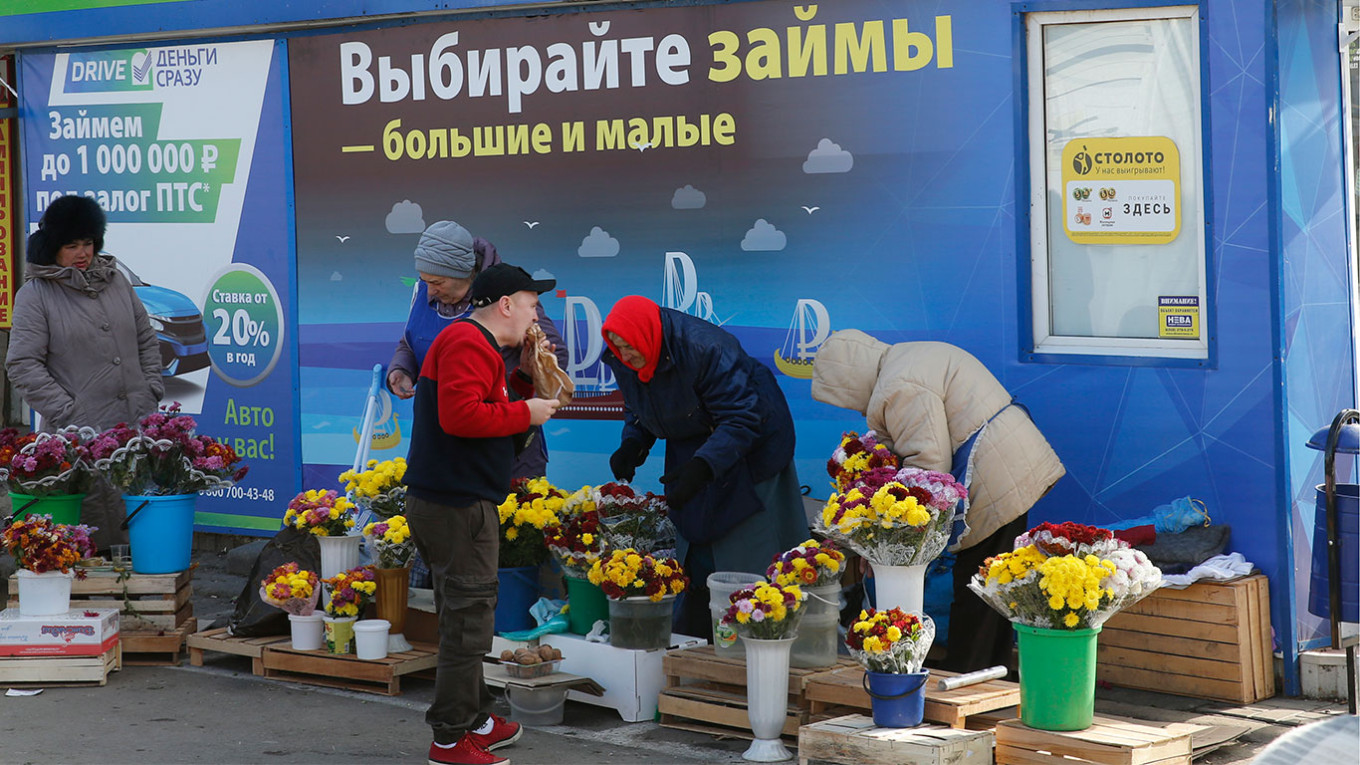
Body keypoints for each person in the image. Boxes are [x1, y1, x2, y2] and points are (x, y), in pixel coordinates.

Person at [810, 329, 1067, 672]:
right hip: (1011, 464)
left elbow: (927, 466)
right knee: (992, 585)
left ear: (850, 379)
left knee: (974, 587)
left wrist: (887, 535)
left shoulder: (897, 385)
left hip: (996, 475)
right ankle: (993, 676)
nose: (852, 407)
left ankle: (968, 680)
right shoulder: (906, 358)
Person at [403, 262, 560, 765]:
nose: (537, 313)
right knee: (469, 620)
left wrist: (529, 384)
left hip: (459, 499)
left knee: (466, 614)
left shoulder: (478, 347)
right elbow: (461, 416)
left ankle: (478, 718)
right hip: (454, 503)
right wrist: (528, 411)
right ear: (506, 305)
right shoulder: (469, 342)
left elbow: (488, 423)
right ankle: (449, 738)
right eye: (533, 303)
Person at [601, 295, 810, 638]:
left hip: (752, 441)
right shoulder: (626, 355)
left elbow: (742, 417)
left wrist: (702, 467)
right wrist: (634, 441)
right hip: (695, 435)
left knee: (746, 540)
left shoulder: (707, 348)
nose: (625, 356)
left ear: (646, 335)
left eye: (631, 347)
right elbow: (640, 402)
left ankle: (761, 627)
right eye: (618, 347)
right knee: (694, 534)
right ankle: (701, 628)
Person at [6, 195, 163, 550]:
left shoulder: (117, 281)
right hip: (81, 436)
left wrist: (150, 388)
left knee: (142, 527)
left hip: (136, 424)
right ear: (52, 248)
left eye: (88, 243)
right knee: (94, 533)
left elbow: (146, 339)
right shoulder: (36, 295)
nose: (83, 253)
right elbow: (22, 364)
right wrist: (69, 413)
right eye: (71, 245)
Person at [387, 220, 567, 479]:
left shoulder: (507, 295)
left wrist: (516, 387)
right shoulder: (422, 290)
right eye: (426, 281)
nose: (431, 289)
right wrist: (402, 368)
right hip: (439, 443)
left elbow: (553, 355)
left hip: (503, 445)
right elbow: (410, 340)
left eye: (438, 281)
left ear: (463, 273)